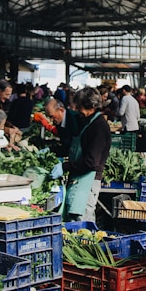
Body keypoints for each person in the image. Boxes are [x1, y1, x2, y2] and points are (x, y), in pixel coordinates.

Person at [50, 86, 111, 222]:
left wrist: (64, 167)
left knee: (83, 222)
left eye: (80, 107)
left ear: (91, 106)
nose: (77, 110)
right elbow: (73, 147)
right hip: (79, 178)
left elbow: (91, 162)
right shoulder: (87, 122)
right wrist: (51, 151)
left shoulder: (98, 127)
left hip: (88, 180)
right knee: (74, 219)